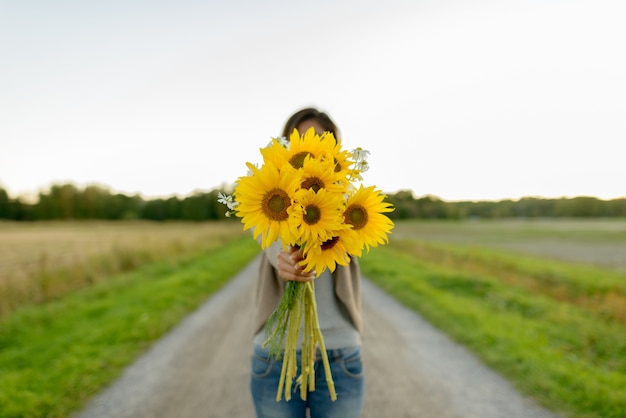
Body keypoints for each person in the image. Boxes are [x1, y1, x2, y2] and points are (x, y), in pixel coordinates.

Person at [249, 108, 365, 418]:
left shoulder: (349, 194)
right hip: (275, 354)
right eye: (300, 140)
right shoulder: (267, 186)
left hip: (339, 349)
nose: (311, 150)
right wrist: (284, 259)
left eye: (322, 140)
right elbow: (268, 235)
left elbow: (354, 238)